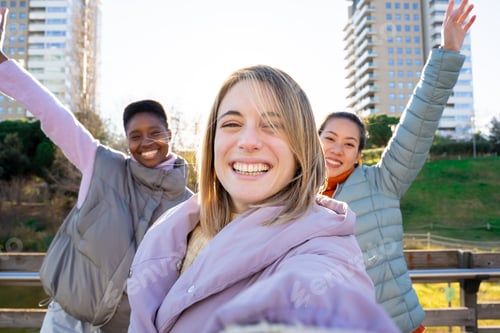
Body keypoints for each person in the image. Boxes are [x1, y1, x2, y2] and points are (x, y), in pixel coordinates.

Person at [126, 64, 400, 333]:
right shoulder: (176, 224)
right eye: (232, 123)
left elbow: (322, 301)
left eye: (272, 125)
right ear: (212, 140)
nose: (248, 141)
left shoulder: (322, 248)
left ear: (301, 148)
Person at [0, 8, 193, 333]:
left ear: (169, 135)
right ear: (126, 140)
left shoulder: (190, 206)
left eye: (155, 133)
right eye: (135, 136)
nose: (146, 142)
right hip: (65, 321)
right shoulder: (102, 164)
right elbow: (53, 113)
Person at [317, 1, 475, 332]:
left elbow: (418, 123)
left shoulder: (382, 183)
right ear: (314, 141)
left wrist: (447, 52)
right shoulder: (295, 198)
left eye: (349, 143)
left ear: (360, 154)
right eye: (329, 138)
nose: (336, 149)